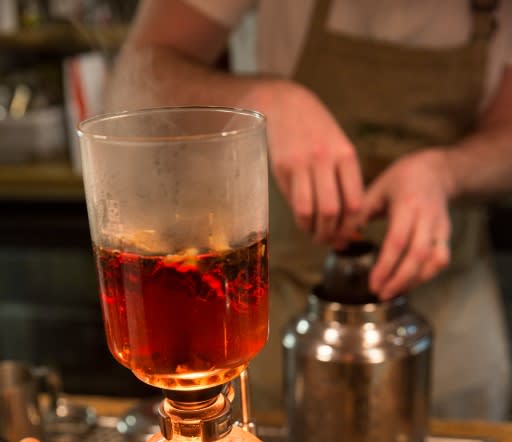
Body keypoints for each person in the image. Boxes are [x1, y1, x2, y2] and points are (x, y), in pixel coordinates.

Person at [105, 0, 512, 419]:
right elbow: (134, 78)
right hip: (277, 328)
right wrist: (261, 100)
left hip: (449, 337)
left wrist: (446, 173)